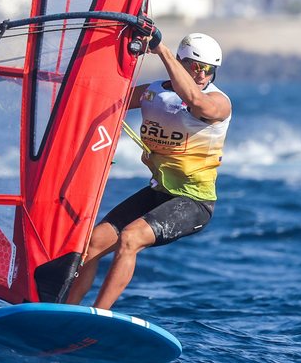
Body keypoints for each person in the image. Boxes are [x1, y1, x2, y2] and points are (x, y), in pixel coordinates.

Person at [67, 33, 232, 309]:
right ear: (181, 63)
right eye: (196, 67)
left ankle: (98, 315)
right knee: (93, 244)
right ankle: (63, 311)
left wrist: (159, 49)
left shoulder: (218, 102)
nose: (203, 74)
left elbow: (195, 102)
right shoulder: (152, 93)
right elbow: (105, 100)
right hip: (158, 192)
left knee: (130, 238)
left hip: (194, 201)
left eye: (209, 70)